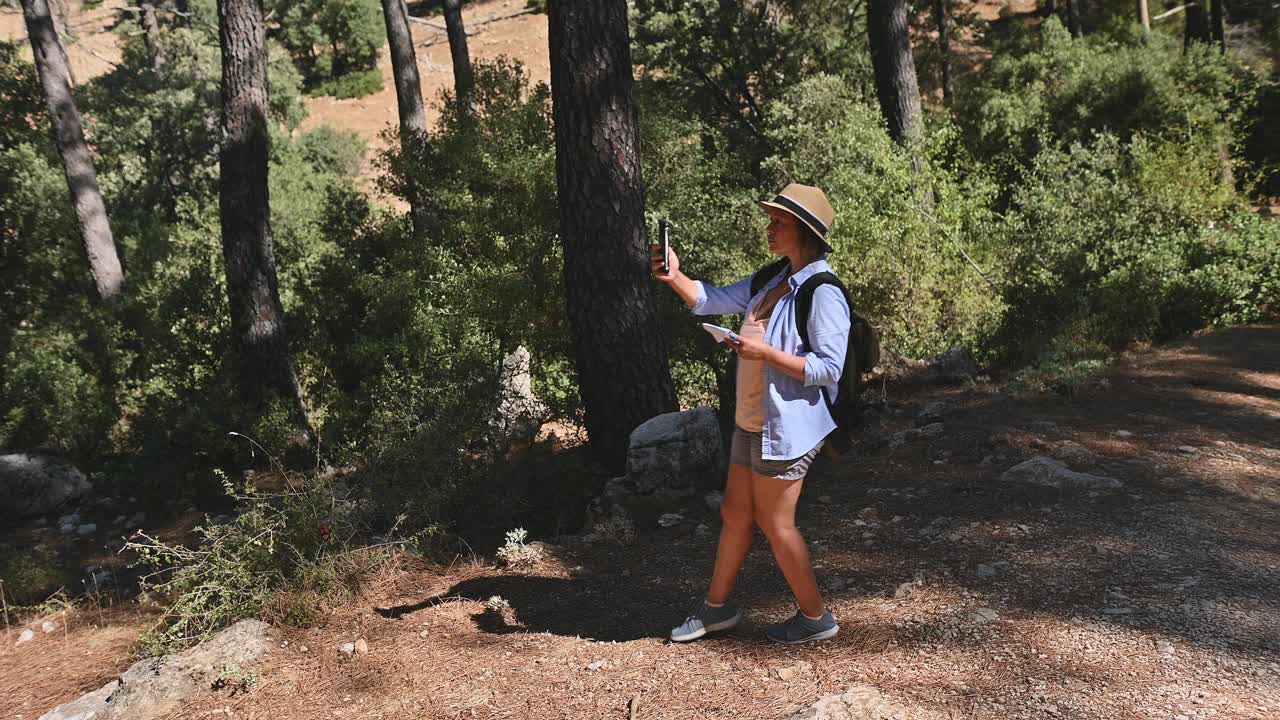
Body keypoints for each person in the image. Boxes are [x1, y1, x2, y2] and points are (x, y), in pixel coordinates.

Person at [651, 183, 851, 644]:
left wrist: (763, 353)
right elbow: (710, 299)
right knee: (736, 511)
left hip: (789, 428)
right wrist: (674, 276)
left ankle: (816, 617)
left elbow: (828, 367)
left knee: (775, 522)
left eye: (778, 222)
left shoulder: (822, 292)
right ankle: (715, 609)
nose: (770, 228)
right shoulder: (771, 279)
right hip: (751, 421)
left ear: (803, 231)